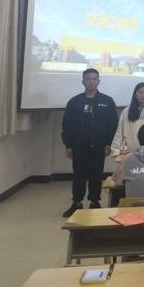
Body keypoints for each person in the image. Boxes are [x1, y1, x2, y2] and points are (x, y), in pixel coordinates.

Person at [61, 69, 118, 217]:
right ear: (83, 82)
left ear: (99, 81)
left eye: (94, 79)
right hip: (79, 147)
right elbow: (67, 125)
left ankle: (94, 202)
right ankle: (76, 202)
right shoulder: (74, 102)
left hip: (99, 146)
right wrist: (68, 145)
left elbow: (113, 124)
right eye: (88, 79)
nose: (91, 82)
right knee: (78, 176)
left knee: (96, 175)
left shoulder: (107, 101)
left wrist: (109, 144)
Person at [110, 82, 144, 156]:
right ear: (135, 94)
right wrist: (116, 149)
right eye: (140, 92)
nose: (143, 95)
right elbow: (119, 131)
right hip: (130, 150)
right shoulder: (126, 111)